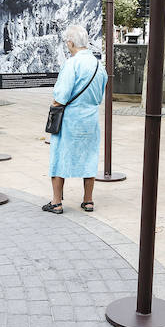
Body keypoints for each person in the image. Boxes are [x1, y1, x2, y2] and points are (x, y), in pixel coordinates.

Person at [43, 24, 107, 214]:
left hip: (70, 119)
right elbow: (100, 94)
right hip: (90, 119)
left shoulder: (72, 64)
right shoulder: (99, 65)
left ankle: (56, 202)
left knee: (59, 157)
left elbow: (61, 96)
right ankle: (88, 201)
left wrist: (55, 104)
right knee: (89, 157)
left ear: (70, 42)